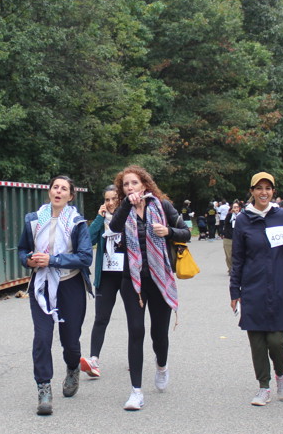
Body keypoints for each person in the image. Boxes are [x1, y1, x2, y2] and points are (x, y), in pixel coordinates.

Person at [109, 165, 190, 411]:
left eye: (134, 183)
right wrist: (126, 205)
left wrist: (168, 231)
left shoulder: (162, 206)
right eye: (125, 184)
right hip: (132, 281)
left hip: (159, 279)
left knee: (159, 334)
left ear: (144, 185)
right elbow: (114, 228)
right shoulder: (123, 210)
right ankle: (136, 391)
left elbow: (186, 232)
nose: (130, 187)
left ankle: (162, 366)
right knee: (136, 331)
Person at [18, 175, 92, 415]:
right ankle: (44, 388)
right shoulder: (33, 219)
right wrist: (28, 260)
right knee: (42, 337)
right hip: (41, 285)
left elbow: (85, 257)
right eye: (55, 187)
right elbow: (22, 249)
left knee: (70, 341)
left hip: (70, 285)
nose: (59, 191)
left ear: (71, 196)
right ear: (49, 191)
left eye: (64, 189)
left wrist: (53, 260)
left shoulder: (77, 222)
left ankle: (73, 367)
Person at [229, 172, 283, 407]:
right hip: (252, 287)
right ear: (251, 191)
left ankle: (281, 373)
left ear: (273, 192)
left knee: (277, 340)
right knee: (257, 341)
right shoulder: (243, 220)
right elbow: (237, 258)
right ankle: (263, 386)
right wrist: (235, 291)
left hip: (279, 286)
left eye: (268, 188)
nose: (263, 192)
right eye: (259, 188)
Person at [80, 185, 123, 379]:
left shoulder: (128, 218)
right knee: (101, 318)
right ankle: (93, 360)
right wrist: (99, 218)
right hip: (106, 276)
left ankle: (135, 357)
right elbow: (88, 240)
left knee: (135, 319)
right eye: (107, 199)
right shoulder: (102, 220)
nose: (111, 203)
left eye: (114, 199)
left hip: (127, 276)